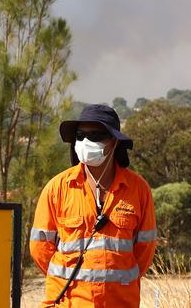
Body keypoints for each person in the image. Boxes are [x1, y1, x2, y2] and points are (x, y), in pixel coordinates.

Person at [30, 104, 157, 307]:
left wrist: (117, 282)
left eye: (96, 135)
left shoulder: (138, 190)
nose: (86, 141)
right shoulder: (57, 188)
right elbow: (40, 249)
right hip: (67, 303)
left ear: (114, 142)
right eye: (80, 135)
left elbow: (145, 251)